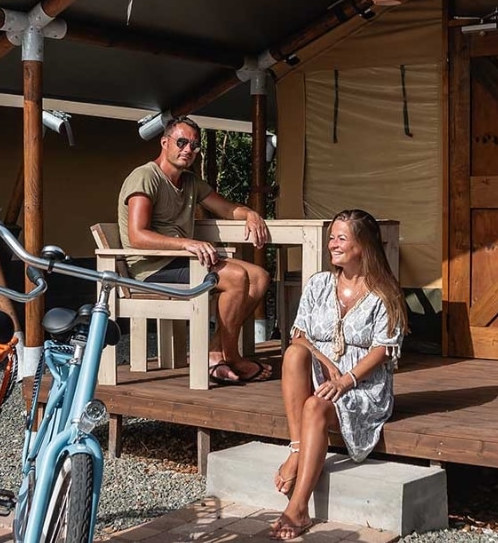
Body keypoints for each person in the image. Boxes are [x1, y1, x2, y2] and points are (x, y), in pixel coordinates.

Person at [269, 209, 407, 540]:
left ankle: (298, 507)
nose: (332, 244)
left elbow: (383, 350)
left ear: (364, 245)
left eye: (341, 238)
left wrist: (346, 380)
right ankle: (297, 449)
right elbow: (299, 335)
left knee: (315, 406)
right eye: (331, 237)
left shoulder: (385, 293)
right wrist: (324, 360)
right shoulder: (319, 284)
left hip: (363, 386)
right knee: (294, 354)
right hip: (322, 377)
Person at [118, 115, 273, 385]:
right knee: (237, 277)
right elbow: (137, 236)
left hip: (183, 261)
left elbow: (226, 209)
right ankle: (232, 356)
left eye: (194, 145)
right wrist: (187, 243)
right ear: (165, 142)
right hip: (152, 268)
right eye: (181, 142)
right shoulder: (145, 177)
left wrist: (249, 214)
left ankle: (215, 351)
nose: (188, 149)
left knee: (260, 277)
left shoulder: (190, 182)